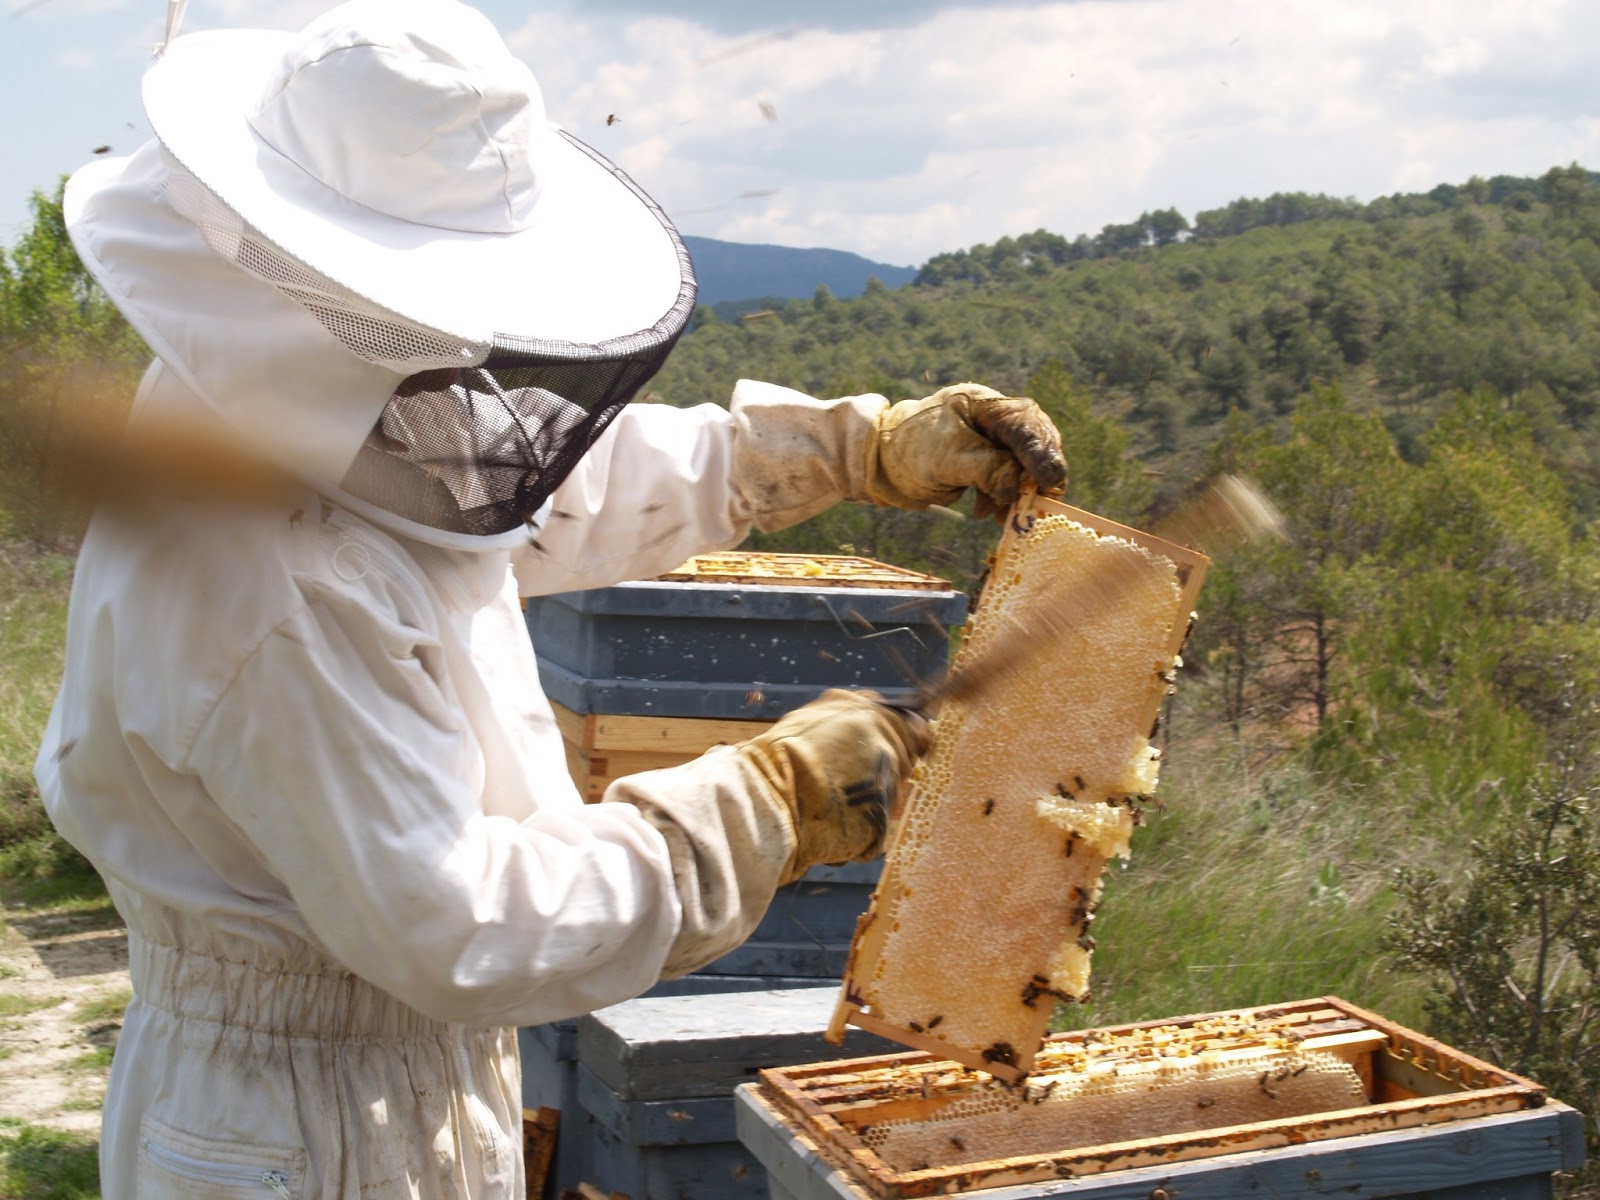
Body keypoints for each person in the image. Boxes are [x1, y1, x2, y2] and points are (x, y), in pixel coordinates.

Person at [34, 1, 1067, 1196]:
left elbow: (514, 489)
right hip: (299, 1126)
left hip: (376, 1073)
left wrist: (846, 451)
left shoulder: (310, 407)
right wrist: (766, 803)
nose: (490, 390)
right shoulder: (269, 574)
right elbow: (464, 928)